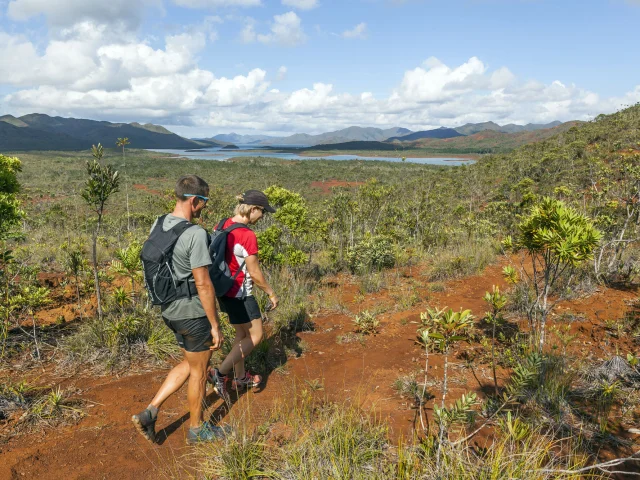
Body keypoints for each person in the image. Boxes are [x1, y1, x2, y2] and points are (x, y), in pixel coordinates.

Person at [132, 175, 225, 445]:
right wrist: (214, 324)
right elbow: (203, 283)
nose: (204, 208)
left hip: (169, 310)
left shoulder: (159, 223)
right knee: (199, 370)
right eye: (204, 203)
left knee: (190, 362)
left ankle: (151, 411)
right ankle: (197, 429)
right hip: (193, 313)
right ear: (195, 200)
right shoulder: (195, 234)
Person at [208, 190, 279, 399]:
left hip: (223, 290)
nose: (263, 216)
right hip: (241, 293)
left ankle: (240, 378)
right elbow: (255, 273)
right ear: (253, 209)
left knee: (241, 335)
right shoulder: (247, 235)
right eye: (262, 212)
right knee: (256, 336)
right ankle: (220, 373)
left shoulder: (222, 224)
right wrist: (271, 293)